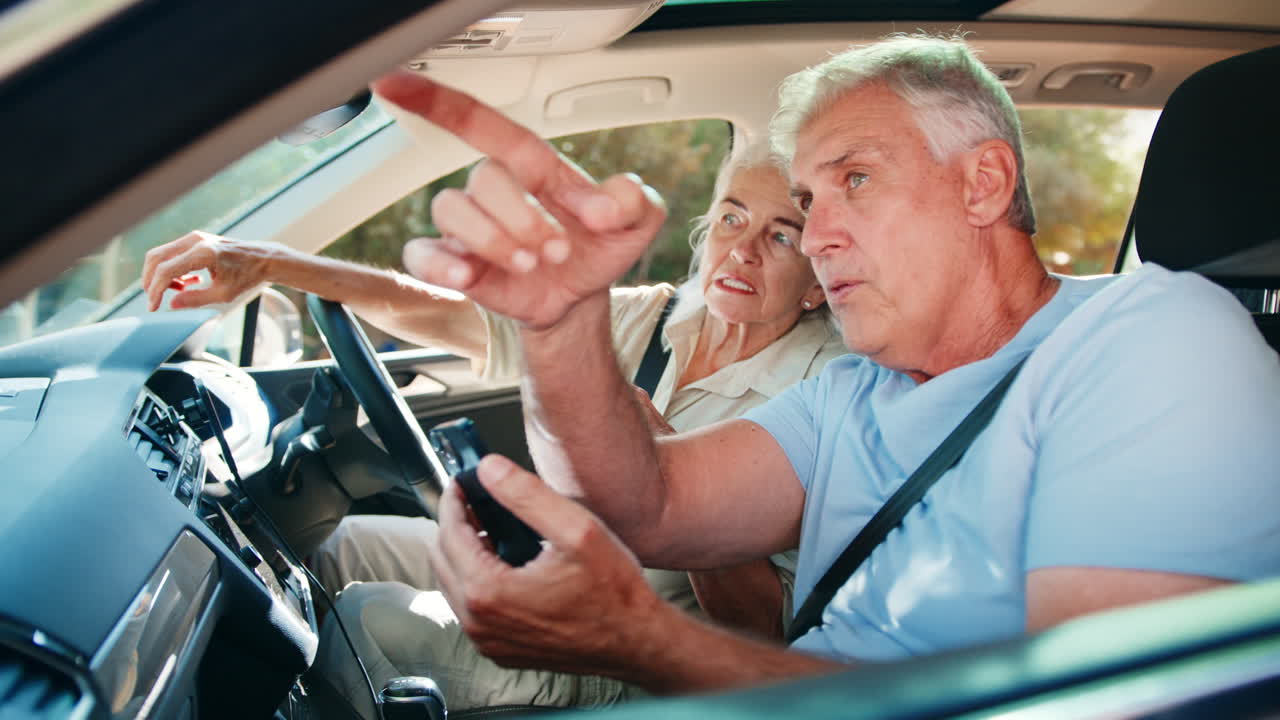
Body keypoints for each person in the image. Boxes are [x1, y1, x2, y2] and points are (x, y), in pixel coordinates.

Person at [367, 31, 1280, 698]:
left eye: (856, 179)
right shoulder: (853, 389)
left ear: (984, 184)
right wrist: (563, 325)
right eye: (810, 198)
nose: (817, 236)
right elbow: (647, 504)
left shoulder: (1154, 340)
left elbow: (1090, 704)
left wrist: (640, 640)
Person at [141, 141, 845, 707]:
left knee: (364, 620)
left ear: (818, 281)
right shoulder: (655, 317)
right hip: (544, 561)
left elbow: (763, 630)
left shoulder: (820, 393)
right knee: (334, 546)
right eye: (731, 218)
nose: (743, 250)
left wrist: (664, 475)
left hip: (627, 649)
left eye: (782, 236)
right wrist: (272, 264)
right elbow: (448, 316)